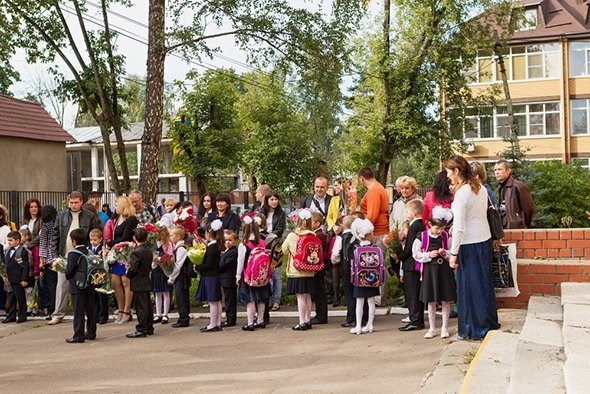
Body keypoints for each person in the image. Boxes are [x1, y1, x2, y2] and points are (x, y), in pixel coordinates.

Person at [446, 155, 500, 340]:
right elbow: (478, 216)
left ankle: (473, 328)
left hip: (468, 244)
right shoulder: (480, 188)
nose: (448, 176)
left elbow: (460, 227)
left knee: (469, 287)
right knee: (484, 283)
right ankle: (488, 321)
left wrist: (453, 254)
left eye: (449, 172)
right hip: (483, 240)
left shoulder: (462, 193)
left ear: (457, 171)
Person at [48, 191, 100, 326]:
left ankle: (88, 315)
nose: (73, 205)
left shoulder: (89, 216)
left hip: (83, 257)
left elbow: (95, 234)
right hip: (64, 255)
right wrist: (54, 255)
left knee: (84, 286)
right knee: (62, 285)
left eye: (76, 202)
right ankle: (58, 314)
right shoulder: (61, 216)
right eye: (71, 202)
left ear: (81, 202)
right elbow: (55, 236)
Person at [413, 207, 455, 339]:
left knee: (445, 300)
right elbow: (416, 254)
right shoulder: (422, 237)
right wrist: (428, 255)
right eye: (438, 228)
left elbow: (452, 250)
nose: (440, 231)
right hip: (429, 271)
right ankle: (432, 328)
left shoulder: (445, 236)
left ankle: (444, 327)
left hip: (444, 271)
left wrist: (445, 253)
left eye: (442, 228)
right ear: (430, 224)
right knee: (430, 301)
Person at [358, 167, 390, 306]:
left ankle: (378, 298)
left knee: (377, 265)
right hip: (379, 231)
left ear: (362, 179)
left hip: (376, 233)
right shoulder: (379, 188)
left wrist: (362, 232)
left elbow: (372, 215)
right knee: (379, 264)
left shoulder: (373, 191)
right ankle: (379, 297)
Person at [106, 196, 138, 324]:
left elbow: (126, 237)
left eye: (117, 205)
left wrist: (111, 243)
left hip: (126, 252)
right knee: (115, 281)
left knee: (126, 281)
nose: (115, 207)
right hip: (116, 253)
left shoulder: (131, 220)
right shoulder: (116, 218)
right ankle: (120, 308)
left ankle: (127, 310)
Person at [283, 209, 316, 331]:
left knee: (300, 297)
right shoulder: (313, 235)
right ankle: (308, 320)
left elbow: (284, 250)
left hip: (296, 270)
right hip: (310, 269)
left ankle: (302, 321)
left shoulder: (292, 235)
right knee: (307, 296)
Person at [236, 215, 272, 331]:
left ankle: (250, 322)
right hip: (262, 275)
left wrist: (238, 276)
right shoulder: (262, 242)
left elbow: (240, 261)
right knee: (261, 298)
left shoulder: (244, 244)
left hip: (248, 276)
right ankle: (260, 320)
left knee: (250, 299)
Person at [396, 199, 426, 332]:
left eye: (407, 211)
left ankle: (415, 320)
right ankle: (416, 318)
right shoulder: (419, 225)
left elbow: (410, 247)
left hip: (411, 264)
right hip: (413, 264)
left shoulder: (415, 226)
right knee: (413, 292)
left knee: (412, 293)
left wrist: (399, 256)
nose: (406, 213)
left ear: (413, 212)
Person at [348, 218, 380, 335]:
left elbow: (351, 264)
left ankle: (358, 326)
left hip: (359, 278)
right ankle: (370, 324)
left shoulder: (355, 248)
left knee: (359, 303)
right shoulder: (375, 248)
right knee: (371, 301)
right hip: (373, 278)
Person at [64, 228, 96, 343]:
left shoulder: (73, 254)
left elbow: (69, 271)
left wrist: (66, 273)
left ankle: (78, 335)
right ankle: (91, 332)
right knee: (90, 309)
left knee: (78, 311)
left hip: (77, 286)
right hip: (90, 285)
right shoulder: (89, 252)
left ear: (73, 241)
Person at [195, 219, 225, 332]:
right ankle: (217, 323)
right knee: (217, 301)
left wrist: (198, 267)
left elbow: (208, 264)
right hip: (215, 276)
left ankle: (213, 324)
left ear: (209, 232)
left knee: (213, 301)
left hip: (210, 276)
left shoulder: (212, 248)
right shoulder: (217, 246)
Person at [124, 227, 154, 338]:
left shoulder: (136, 252)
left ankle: (142, 328)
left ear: (134, 238)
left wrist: (128, 271)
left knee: (140, 306)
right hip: (146, 279)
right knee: (147, 305)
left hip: (138, 281)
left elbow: (134, 269)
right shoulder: (148, 250)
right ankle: (149, 326)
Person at [261, 190, 286, 311]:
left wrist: (268, 236)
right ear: (266, 201)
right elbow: (258, 227)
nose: (274, 202)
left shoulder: (281, 214)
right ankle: (267, 299)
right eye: (271, 199)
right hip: (262, 246)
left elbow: (280, 230)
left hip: (275, 245)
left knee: (276, 274)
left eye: (276, 199)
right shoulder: (261, 212)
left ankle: (276, 300)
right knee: (265, 273)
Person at [494, 159, 535, 229]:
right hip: (503, 229)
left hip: (516, 229)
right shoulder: (500, 188)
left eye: (500, 169)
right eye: (495, 170)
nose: (497, 172)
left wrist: (522, 224)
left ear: (508, 170)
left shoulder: (518, 186)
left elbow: (529, 209)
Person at [331, 215, 356, 327]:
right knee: (359, 293)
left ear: (342, 225)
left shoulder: (341, 238)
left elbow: (335, 255)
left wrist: (336, 261)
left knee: (349, 294)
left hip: (346, 269)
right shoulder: (359, 236)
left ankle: (351, 318)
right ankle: (362, 317)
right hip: (359, 268)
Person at [2, 231, 29, 323]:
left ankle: (22, 315)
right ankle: (11, 315)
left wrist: (24, 279)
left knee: (20, 297)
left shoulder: (22, 251)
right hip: (9, 278)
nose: (9, 242)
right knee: (11, 298)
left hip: (18, 278)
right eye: (8, 240)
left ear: (18, 241)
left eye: (11, 240)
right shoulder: (8, 250)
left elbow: (25, 266)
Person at [167, 226, 190, 327]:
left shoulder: (181, 248)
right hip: (179, 276)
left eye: (172, 235)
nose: (170, 237)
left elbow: (178, 265)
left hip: (181, 276)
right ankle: (183, 317)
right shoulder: (177, 247)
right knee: (180, 296)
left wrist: (171, 277)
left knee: (182, 297)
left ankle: (184, 318)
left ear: (179, 236)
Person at [38, 205, 58, 318]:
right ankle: (56, 307)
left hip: (48, 259)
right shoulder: (56, 224)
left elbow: (43, 245)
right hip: (57, 258)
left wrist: (41, 261)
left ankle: (51, 309)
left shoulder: (45, 227)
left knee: (49, 286)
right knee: (55, 285)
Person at [152, 226, 174, 324]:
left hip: (165, 270)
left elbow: (170, 256)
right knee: (157, 293)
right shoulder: (154, 244)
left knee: (166, 292)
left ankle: (165, 314)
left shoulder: (168, 244)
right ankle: (158, 313)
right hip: (156, 269)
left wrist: (163, 259)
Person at [309, 212, 328, 324]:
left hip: (318, 267)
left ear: (316, 223)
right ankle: (319, 314)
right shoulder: (317, 235)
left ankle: (321, 315)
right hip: (318, 266)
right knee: (317, 291)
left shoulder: (319, 236)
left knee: (319, 292)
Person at [88, 228, 108, 325]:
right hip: (92, 275)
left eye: (95, 240)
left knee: (102, 296)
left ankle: (103, 315)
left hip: (101, 274)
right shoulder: (89, 249)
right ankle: (95, 315)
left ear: (100, 239)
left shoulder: (102, 250)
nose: (92, 242)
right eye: (91, 240)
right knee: (93, 296)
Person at [219, 230, 238, 327]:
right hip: (225, 280)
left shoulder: (233, 252)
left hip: (229, 280)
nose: (227, 242)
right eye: (225, 240)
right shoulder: (227, 251)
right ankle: (229, 318)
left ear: (235, 241)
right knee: (227, 300)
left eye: (230, 240)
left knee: (230, 301)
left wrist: (217, 264)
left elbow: (224, 265)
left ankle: (231, 319)